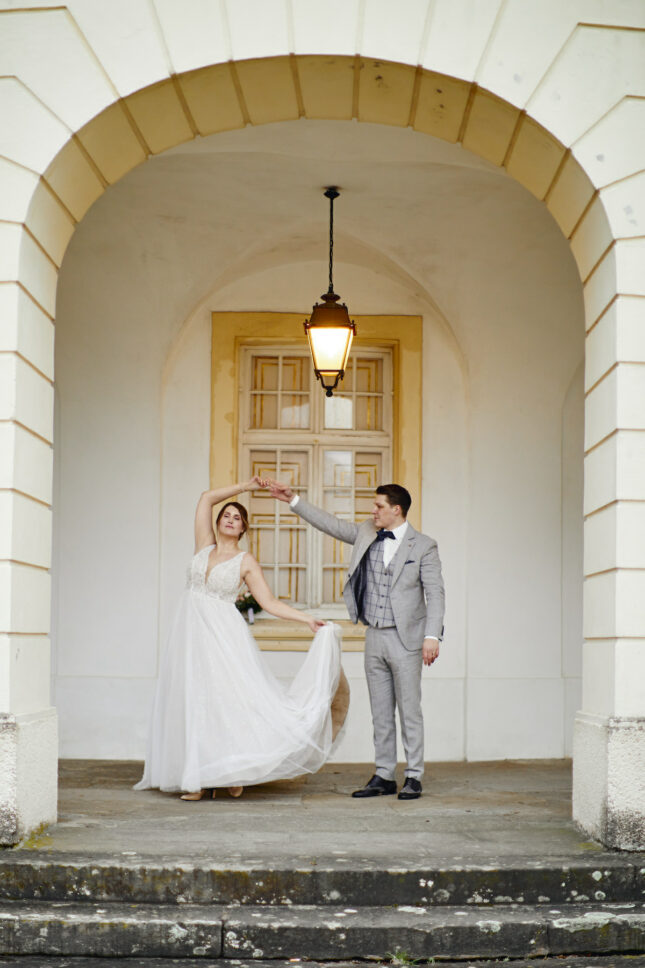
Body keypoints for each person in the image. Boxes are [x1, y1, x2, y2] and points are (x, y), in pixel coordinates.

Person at [135, 477, 343, 800]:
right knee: (194, 700)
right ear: (218, 523)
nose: (230, 520)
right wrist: (245, 487)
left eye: (237, 518)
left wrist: (306, 619)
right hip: (190, 636)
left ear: (243, 528)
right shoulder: (204, 546)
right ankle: (203, 775)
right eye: (226, 516)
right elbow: (205, 497)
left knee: (224, 701)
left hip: (223, 636)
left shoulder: (245, 561)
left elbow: (269, 603)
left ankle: (228, 771)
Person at [267, 480, 444, 801]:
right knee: (380, 711)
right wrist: (292, 500)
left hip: (407, 640)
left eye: (378, 506)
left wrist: (432, 635)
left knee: (409, 710)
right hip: (374, 635)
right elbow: (331, 526)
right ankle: (384, 774)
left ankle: (414, 775)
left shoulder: (424, 546)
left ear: (396, 510)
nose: (372, 511)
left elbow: (436, 593)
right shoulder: (366, 532)